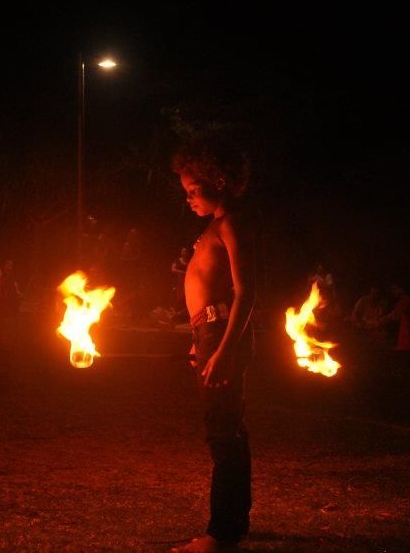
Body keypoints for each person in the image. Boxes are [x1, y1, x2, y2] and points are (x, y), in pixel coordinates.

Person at [171, 132, 256, 553]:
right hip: (209, 334)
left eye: (192, 189)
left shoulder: (231, 224)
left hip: (222, 336)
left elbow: (246, 292)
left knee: (223, 433)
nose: (187, 197)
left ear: (218, 180)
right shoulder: (213, 228)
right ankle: (234, 524)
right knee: (227, 432)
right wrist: (196, 340)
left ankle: (220, 534)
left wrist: (224, 351)